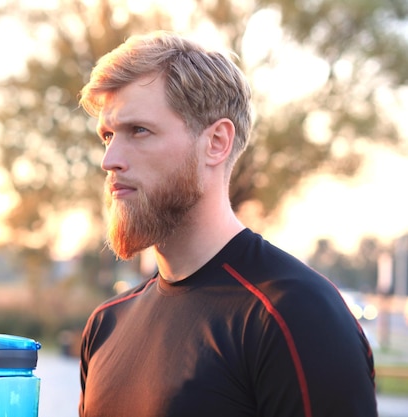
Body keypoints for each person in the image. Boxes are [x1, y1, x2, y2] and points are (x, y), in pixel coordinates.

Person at [77, 31, 377, 417]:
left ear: (216, 142)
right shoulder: (105, 325)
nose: (110, 160)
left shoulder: (294, 315)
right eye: (107, 136)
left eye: (139, 131)